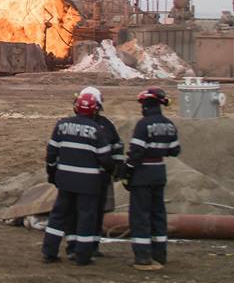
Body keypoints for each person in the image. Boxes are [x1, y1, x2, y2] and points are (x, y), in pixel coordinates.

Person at [42, 91, 113, 266]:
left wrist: (52, 174)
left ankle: (49, 251)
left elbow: (51, 154)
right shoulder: (97, 130)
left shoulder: (61, 125)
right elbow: (105, 158)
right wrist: (109, 172)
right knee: (86, 217)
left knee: (58, 216)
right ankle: (82, 256)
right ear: (95, 109)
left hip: (65, 180)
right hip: (89, 183)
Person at [123, 86, 180, 270]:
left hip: (142, 174)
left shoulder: (143, 125)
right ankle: (160, 254)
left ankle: (143, 257)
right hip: (159, 173)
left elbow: (136, 153)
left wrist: (127, 172)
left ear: (146, 105)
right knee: (158, 214)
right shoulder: (169, 124)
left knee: (140, 215)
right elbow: (175, 150)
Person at [66, 86, 123, 258]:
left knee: (87, 212)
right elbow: (114, 150)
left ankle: (86, 246)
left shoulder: (69, 124)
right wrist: (115, 169)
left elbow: (116, 147)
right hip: (95, 178)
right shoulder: (104, 125)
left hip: (80, 178)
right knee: (89, 213)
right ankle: (81, 248)